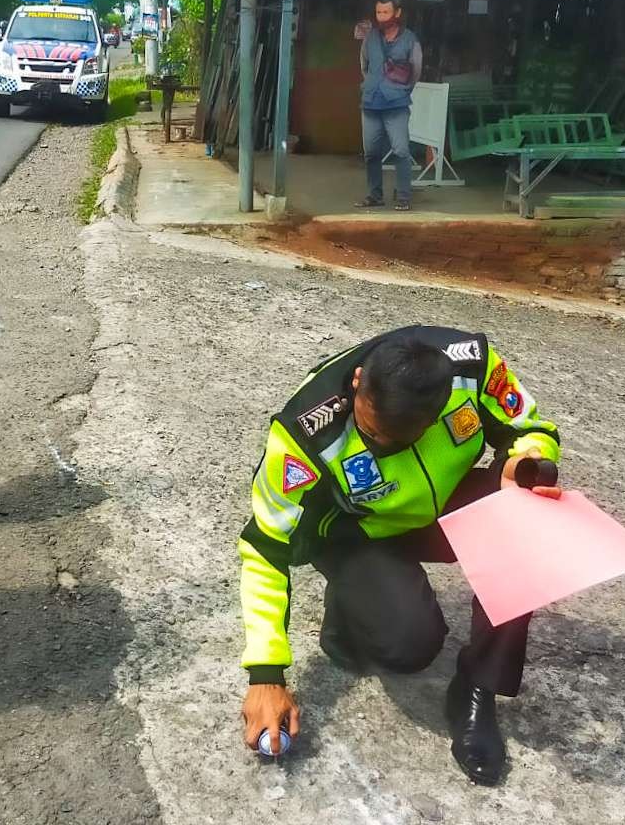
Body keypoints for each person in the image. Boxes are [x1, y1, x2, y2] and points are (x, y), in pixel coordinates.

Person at [237, 326, 562, 786]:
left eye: (396, 440)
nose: (380, 445)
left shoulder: (472, 367)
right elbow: (264, 546)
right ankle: (352, 611)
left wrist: (525, 462)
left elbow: (532, 427)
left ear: (436, 413)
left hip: (441, 508)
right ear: (357, 383)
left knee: (528, 517)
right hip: (361, 532)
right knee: (410, 647)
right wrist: (265, 675)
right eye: (372, 433)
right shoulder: (305, 430)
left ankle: (477, 688)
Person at [356, 0, 423, 212]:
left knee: (401, 150)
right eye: (378, 12)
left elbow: (416, 70)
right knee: (371, 153)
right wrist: (372, 83)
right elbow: (364, 64)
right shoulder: (370, 37)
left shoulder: (410, 39)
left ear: (398, 13)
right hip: (371, 102)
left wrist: (401, 89)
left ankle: (403, 197)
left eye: (386, 12)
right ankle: (375, 195)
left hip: (397, 104)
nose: (382, 17)